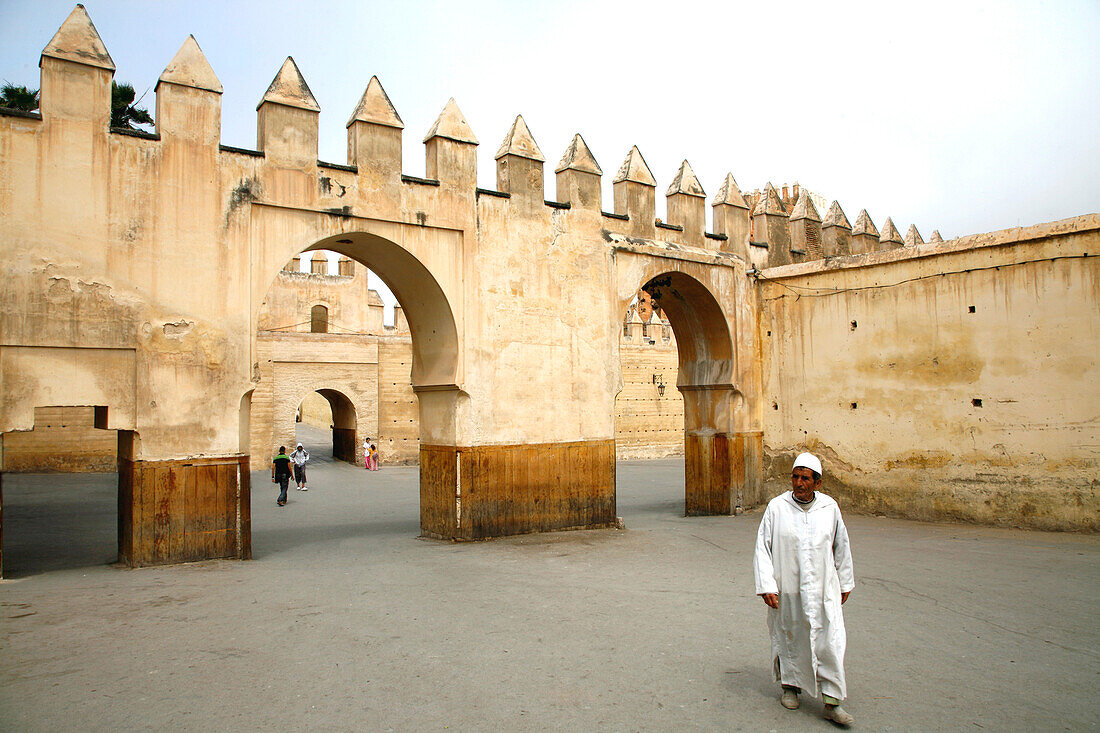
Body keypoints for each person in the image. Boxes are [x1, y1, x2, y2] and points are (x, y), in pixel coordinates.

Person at [753, 452, 856, 727]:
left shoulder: (829, 508)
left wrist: (845, 582)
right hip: (788, 590)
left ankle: (832, 702)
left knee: (830, 642)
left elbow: (841, 546)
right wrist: (766, 585)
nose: (799, 483)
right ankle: (790, 687)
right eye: (795, 477)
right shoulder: (777, 508)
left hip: (824, 590)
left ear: (817, 483)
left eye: (805, 478)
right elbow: (762, 548)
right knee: (790, 637)